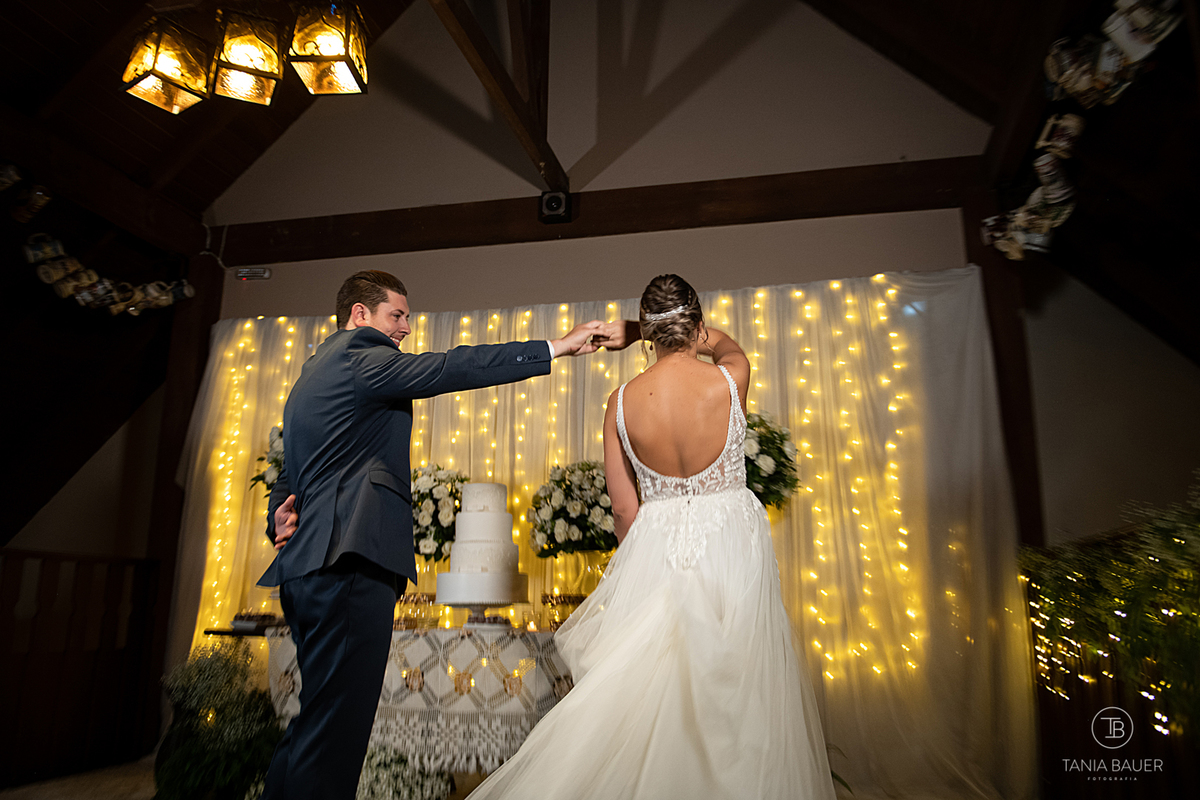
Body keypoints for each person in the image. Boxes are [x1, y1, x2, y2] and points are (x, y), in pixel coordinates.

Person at [465, 274, 836, 799]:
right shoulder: (731, 378)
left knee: (654, 696)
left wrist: (642, 570)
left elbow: (623, 507)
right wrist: (649, 328)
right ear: (697, 323)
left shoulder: (620, 402)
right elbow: (724, 343)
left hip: (656, 546)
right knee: (737, 693)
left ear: (651, 335)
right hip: (730, 543)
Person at [257, 270, 604, 800]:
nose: (406, 328)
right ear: (360, 315)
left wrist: (275, 519)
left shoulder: (311, 374)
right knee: (335, 735)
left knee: (315, 724)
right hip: (349, 562)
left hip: (307, 569)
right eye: (397, 315)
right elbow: (451, 366)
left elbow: (291, 479)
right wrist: (553, 348)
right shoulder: (361, 356)